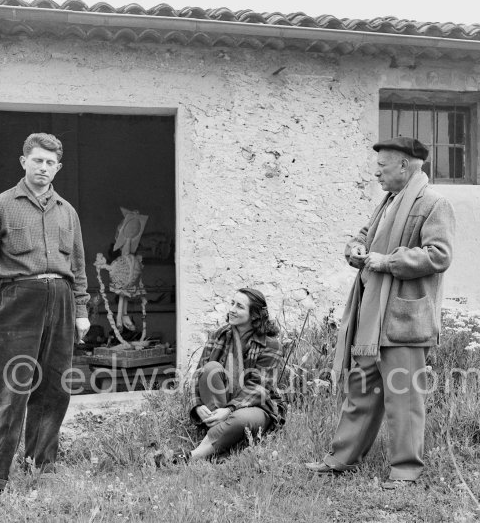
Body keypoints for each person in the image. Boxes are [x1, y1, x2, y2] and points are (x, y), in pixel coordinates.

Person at [305, 136, 455, 489]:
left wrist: (388, 261)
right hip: (374, 318)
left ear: (404, 166)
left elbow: (439, 255)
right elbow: (365, 236)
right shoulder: (389, 201)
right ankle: (342, 457)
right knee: (361, 388)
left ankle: (405, 470)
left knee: (404, 398)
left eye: (382, 166)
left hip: (404, 319)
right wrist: (355, 248)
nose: (377, 173)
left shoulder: (434, 203)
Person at [0, 133, 90, 504]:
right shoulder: (0, 206)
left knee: (54, 389)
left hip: (62, 301)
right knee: (8, 391)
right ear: (24, 161)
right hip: (17, 302)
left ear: (58, 167)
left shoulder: (67, 211)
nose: (43, 167)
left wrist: (81, 310)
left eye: (50, 162)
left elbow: (79, 266)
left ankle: (41, 467)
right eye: (37, 160)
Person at [186, 288, 286, 461]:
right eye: (232, 303)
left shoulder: (270, 344)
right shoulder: (220, 335)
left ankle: (192, 456)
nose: (232, 309)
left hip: (256, 406)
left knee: (241, 419)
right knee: (210, 369)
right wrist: (196, 406)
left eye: (239, 306)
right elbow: (198, 374)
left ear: (254, 315)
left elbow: (259, 387)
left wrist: (229, 410)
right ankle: (225, 440)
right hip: (220, 401)